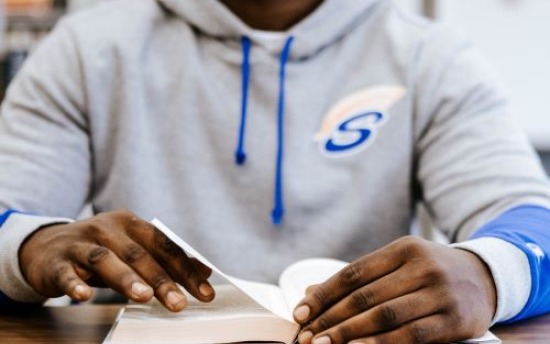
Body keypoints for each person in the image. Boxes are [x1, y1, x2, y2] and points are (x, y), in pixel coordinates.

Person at [1, 0, 550, 343]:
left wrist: (485, 272)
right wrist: (29, 246)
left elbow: (533, 221)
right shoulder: (86, 50)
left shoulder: (431, 57)